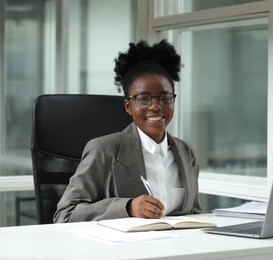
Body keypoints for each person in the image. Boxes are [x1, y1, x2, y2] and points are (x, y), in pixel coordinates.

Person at [53, 40, 202, 223]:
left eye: (165, 98)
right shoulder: (103, 150)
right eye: (144, 99)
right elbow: (65, 215)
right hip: (123, 250)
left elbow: (194, 216)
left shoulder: (187, 153)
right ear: (128, 106)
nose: (155, 106)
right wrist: (128, 207)